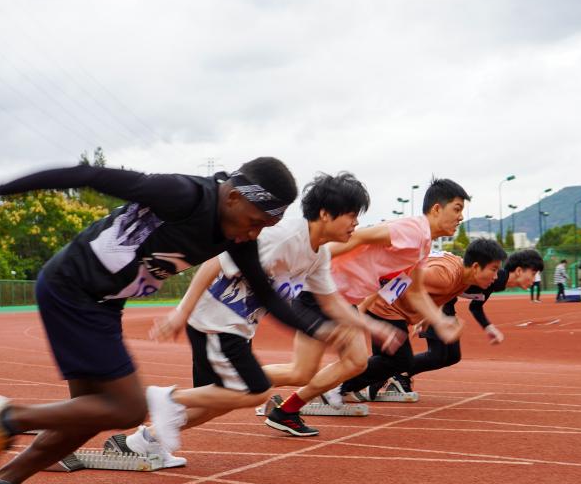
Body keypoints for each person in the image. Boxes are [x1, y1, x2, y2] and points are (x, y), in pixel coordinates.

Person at [0, 159, 347, 484]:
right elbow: (87, 175)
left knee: (89, 414)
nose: (254, 234)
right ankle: (7, 418)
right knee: (127, 408)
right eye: (256, 221)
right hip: (72, 289)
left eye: (265, 227)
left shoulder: (237, 237)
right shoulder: (183, 195)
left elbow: (268, 295)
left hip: (105, 304)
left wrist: (320, 329)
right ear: (232, 197)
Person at [108, 172, 398, 459]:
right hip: (214, 323)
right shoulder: (282, 237)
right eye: (351, 215)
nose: (356, 223)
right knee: (251, 391)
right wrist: (181, 311)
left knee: (217, 403)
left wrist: (372, 327)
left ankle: (144, 440)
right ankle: (163, 398)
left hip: (237, 328)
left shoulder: (318, 254)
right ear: (325, 214)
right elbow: (216, 261)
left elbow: (332, 302)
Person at [260, 179, 469, 436]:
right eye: (457, 209)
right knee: (301, 372)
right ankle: (233, 379)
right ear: (437, 209)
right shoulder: (413, 230)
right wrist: (310, 264)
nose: (460, 217)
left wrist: (440, 321)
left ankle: (286, 411)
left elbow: (414, 293)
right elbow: (359, 237)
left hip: (344, 300)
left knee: (356, 362)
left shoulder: (423, 245)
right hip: (323, 293)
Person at [337, 238, 507, 399]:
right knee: (399, 361)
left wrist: (427, 318)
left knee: (392, 361)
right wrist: (363, 308)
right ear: (476, 266)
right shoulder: (443, 275)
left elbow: (440, 295)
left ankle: (345, 387)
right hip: (385, 307)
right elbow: (401, 274)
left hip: (392, 310)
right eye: (493, 269)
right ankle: (337, 386)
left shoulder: (464, 278)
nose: (496, 277)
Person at [377, 247, 544, 395]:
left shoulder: (495, 281)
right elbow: (444, 283)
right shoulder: (495, 277)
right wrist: (429, 315)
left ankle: (398, 373)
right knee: (437, 355)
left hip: (444, 300)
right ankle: (396, 374)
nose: (535, 278)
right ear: (519, 271)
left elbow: (475, 306)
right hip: (438, 299)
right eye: (534, 273)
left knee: (452, 356)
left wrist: (488, 327)